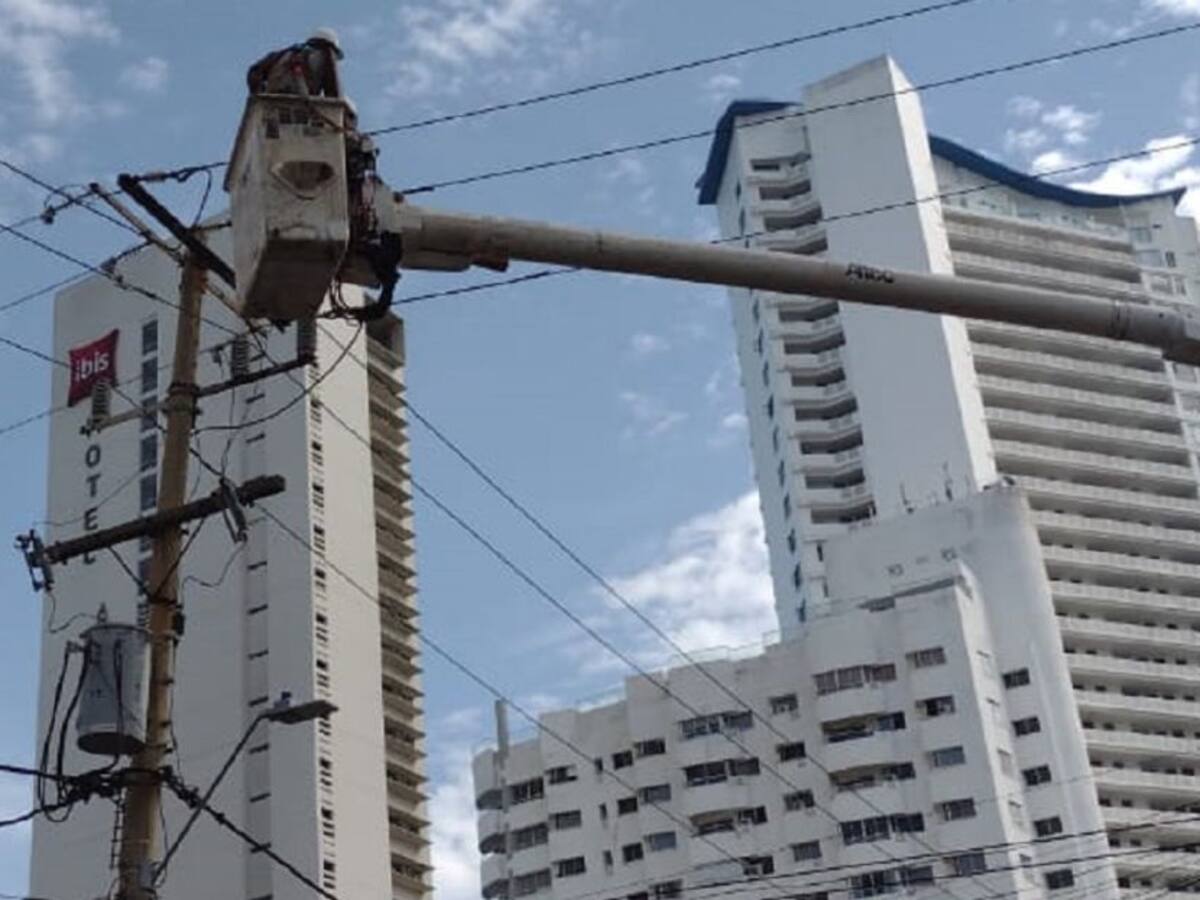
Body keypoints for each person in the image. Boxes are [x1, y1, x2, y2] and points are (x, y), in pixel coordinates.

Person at [246, 28, 344, 97]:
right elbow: (333, 92)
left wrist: (259, 94)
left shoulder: (283, 53)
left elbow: (254, 71)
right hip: (302, 107)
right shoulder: (326, 55)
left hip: (273, 103)